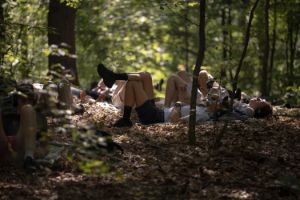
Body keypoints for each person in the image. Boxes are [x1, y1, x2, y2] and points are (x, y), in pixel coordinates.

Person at [97, 64, 210, 127]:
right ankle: (113, 76)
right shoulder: (201, 106)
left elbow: (178, 121)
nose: (210, 101)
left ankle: (125, 119)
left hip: (155, 117)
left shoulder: (202, 114)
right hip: (157, 112)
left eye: (214, 100)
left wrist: (178, 106)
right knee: (146, 75)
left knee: (133, 84)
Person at [0, 81, 39, 170]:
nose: (26, 101)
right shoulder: (6, 112)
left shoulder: (37, 116)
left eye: (30, 99)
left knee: (28, 109)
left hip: (21, 150)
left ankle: (29, 159)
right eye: (22, 99)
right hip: (3, 146)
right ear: (16, 100)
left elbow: (43, 145)